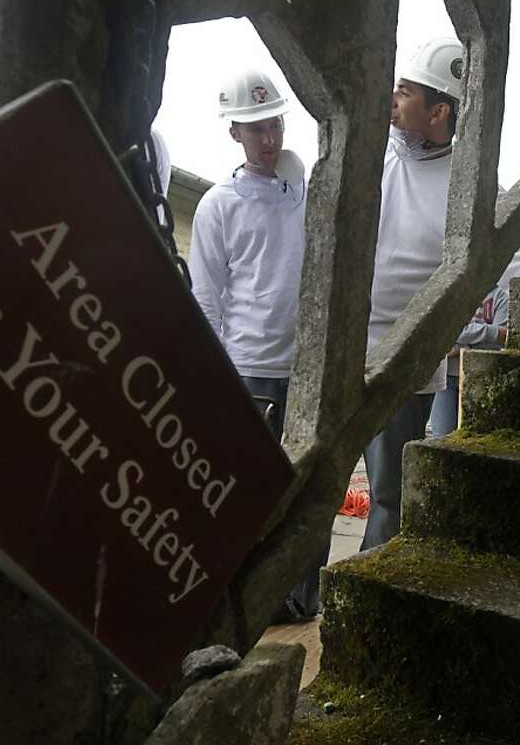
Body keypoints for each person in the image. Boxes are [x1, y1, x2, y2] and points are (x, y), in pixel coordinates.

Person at [187, 67, 323, 622]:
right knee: (248, 492)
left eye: (275, 125)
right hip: (249, 368)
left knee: (308, 489)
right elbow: (206, 297)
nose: (269, 138)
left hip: (307, 366)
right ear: (234, 134)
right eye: (256, 129)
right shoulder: (218, 205)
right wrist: (218, 377)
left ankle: (301, 599)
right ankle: (245, 599)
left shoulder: (304, 195)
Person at [361, 37, 465, 550]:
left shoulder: (468, 183)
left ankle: (363, 584)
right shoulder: (372, 154)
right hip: (341, 353)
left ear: (439, 111)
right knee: (312, 484)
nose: (392, 101)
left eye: (404, 93)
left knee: (388, 495)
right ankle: (301, 587)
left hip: (406, 370)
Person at [428, 237, 520, 437]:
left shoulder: (501, 298)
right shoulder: (455, 294)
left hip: (481, 375)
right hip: (447, 375)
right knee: (442, 434)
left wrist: (461, 346)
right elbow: (447, 329)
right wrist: (490, 332)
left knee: (477, 435)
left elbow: (502, 340)